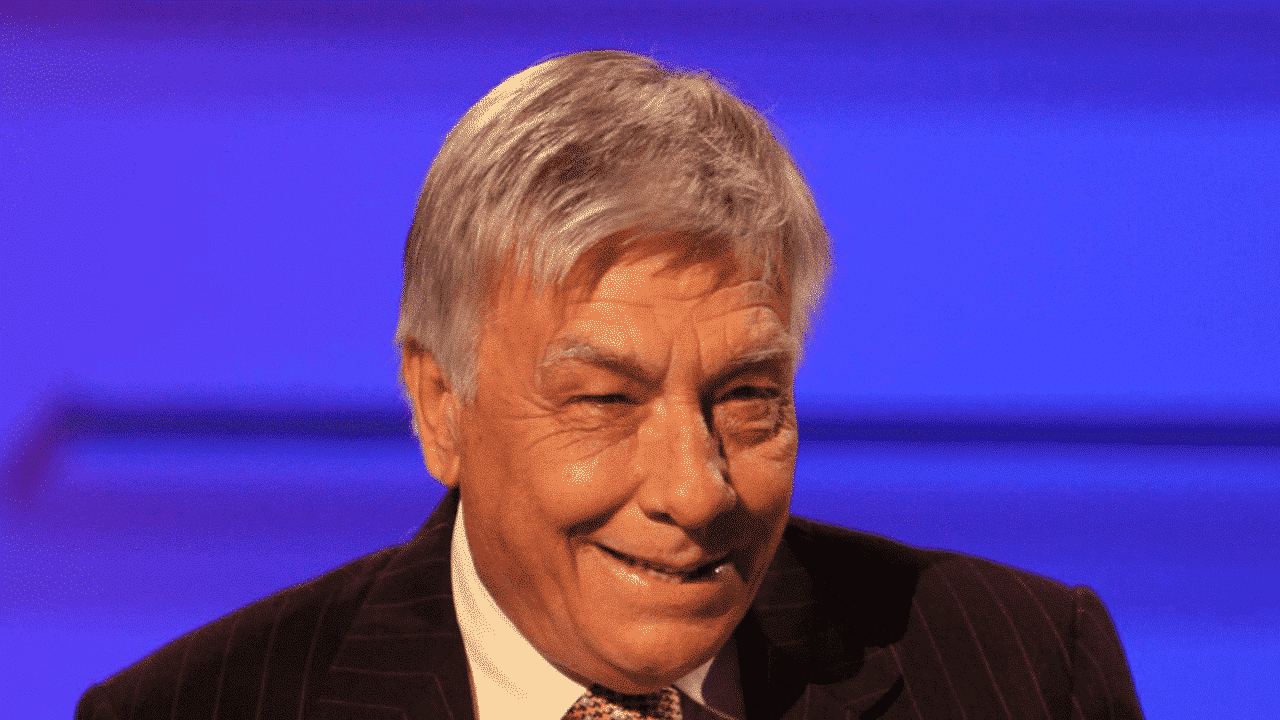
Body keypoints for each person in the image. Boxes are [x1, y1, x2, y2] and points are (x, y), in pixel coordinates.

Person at [76, 50, 1144, 720]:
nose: (696, 490)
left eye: (746, 396)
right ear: (441, 406)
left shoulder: (1024, 672)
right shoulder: (192, 710)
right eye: (604, 400)